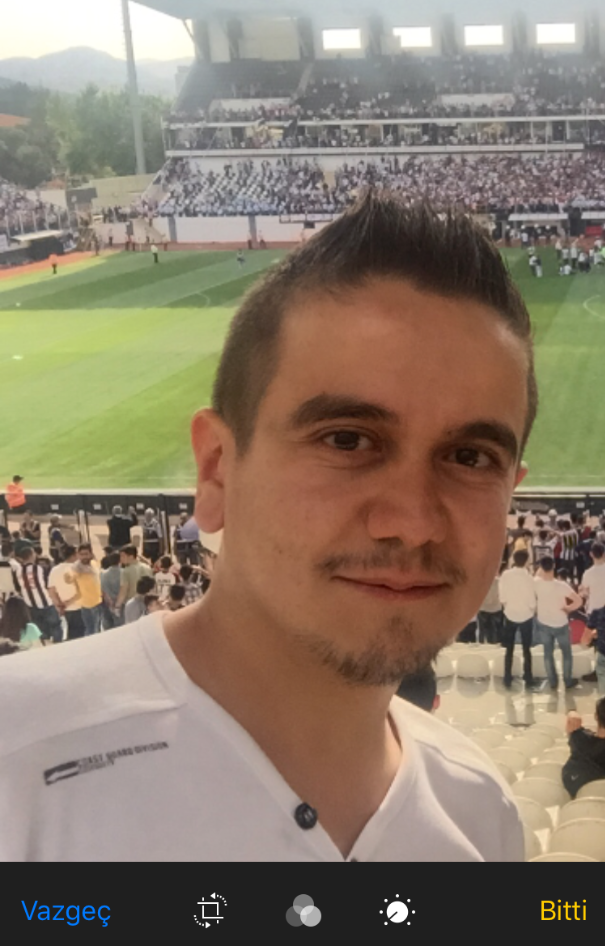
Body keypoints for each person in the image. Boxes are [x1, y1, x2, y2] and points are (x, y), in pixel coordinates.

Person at [0, 192, 537, 862]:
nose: (412, 522)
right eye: (346, 440)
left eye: (470, 458)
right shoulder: (16, 765)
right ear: (217, 471)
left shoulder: (481, 815)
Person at [534, 555, 583, 690]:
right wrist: (568, 608)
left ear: (541, 567)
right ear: (554, 566)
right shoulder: (561, 585)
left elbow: (537, 574)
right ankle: (567, 680)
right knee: (566, 653)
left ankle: (552, 681)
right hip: (561, 622)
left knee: (547, 653)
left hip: (544, 622)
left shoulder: (536, 583)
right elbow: (578, 601)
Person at [498, 550, 537, 688]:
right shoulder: (529, 578)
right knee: (527, 649)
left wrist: (507, 606)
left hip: (510, 614)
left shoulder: (505, 575)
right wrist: (532, 609)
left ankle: (507, 677)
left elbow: (502, 597)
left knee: (509, 648)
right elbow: (532, 600)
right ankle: (528, 677)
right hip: (526, 615)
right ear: (526, 561)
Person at [10, 545, 63, 644]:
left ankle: (46, 646)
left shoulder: (17, 571)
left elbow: (18, 588)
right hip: (46, 602)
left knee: (41, 629)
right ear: (31, 555)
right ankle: (58, 645)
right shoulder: (40, 568)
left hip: (31, 605)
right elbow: (49, 585)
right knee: (55, 626)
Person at [561, 698, 605, 797]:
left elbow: (570, 725)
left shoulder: (579, 739)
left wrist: (572, 713)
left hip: (578, 800)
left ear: (596, 716)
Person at [62, 544, 103, 636]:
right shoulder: (76, 568)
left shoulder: (94, 564)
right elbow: (69, 578)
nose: (84, 556)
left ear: (91, 554)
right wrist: (67, 576)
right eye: (81, 554)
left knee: (97, 630)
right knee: (91, 630)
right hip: (86, 605)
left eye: (86, 554)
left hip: (98, 603)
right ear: (78, 555)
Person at [48, 545, 84, 640]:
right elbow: (82, 591)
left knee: (71, 633)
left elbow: (51, 590)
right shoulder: (78, 569)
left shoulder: (54, 570)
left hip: (65, 609)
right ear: (74, 555)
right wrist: (68, 603)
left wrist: (59, 605)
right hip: (80, 607)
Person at [115, 545, 151, 613]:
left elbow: (123, 590)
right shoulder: (147, 568)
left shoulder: (126, 571)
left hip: (132, 604)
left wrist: (117, 606)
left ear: (131, 556)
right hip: (147, 603)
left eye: (123, 556)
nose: (121, 558)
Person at [583, 598, 605, 696]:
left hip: (604, 656)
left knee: (604, 693)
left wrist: (596, 633)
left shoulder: (598, 613)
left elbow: (585, 640)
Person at [579, 543, 605, 617]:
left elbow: (584, 593)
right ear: (604, 554)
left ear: (591, 554)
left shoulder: (587, 573)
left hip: (594, 610)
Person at [100, 551, 123, 629]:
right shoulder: (124, 573)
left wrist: (110, 602)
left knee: (108, 626)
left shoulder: (103, 574)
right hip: (121, 604)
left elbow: (103, 590)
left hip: (107, 603)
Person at [477, 576, 503, 644]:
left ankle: (481, 644)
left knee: (482, 631)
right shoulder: (499, 581)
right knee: (496, 631)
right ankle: (496, 644)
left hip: (483, 608)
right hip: (496, 608)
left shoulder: (480, 582)